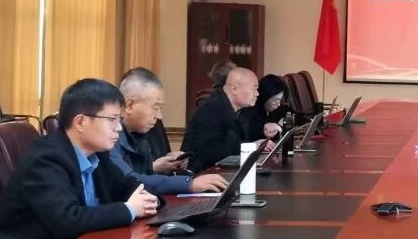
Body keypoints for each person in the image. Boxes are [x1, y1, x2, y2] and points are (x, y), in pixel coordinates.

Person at [0, 79, 159, 239]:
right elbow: (69, 221)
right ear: (80, 122)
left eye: (120, 120)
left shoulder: (97, 154)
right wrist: (129, 209)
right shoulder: (45, 160)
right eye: (112, 119)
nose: (118, 128)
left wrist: (147, 199)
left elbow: (126, 186)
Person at [111, 68, 228, 196]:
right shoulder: (109, 136)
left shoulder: (139, 133)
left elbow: (142, 173)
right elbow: (130, 181)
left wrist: (160, 166)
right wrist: (189, 184)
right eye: (155, 107)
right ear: (129, 105)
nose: (159, 116)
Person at [183, 67, 264, 172]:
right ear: (234, 89)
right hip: (201, 175)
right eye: (254, 89)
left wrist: (253, 145)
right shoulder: (211, 108)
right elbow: (210, 152)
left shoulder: (238, 110)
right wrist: (248, 147)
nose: (257, 94)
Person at [239, 73, 287, 142]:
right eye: (275, 100)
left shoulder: (276, 108)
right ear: (264, 96)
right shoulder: (250, 112)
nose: (279, 104)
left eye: (280, 100)